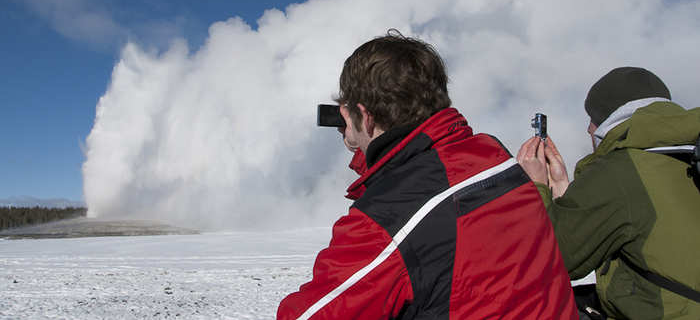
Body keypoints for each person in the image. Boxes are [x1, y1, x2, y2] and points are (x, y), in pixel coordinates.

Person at [278, 31, 577, 319]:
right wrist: (363, 144)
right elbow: (417, 162)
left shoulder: (386, 221)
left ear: (365, 116)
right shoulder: (494, 156)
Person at [517, 67, 700, 319]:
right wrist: (564, 192)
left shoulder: (620, 169)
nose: (588, 129)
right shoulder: (687, 150)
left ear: (609, 119)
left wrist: (535, 187)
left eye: (592, 119)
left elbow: (552, 258)